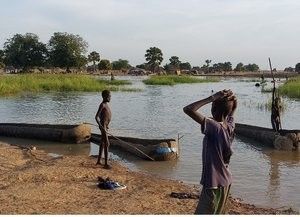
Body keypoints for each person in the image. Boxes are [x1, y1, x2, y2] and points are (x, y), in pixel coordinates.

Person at [183, 89, 237, 214]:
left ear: (214, 109)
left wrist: (211, 98)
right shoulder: (228, 126)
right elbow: (231, 116)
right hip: (226, 181)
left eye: (212, 106)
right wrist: (233, 105)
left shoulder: (214, 127)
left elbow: (188, 109)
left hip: (214, 184)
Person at [95, 90, 112, 169]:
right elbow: (96, 117)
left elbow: (106, 117)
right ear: (104, 96)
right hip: (103, 127)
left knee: (102, 143)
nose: (110, 97)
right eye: (109, 96)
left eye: (110, 96)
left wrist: (106, 126)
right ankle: (106, 163)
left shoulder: (106, 105)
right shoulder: (102, 105)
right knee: (107, 143)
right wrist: (101, 126)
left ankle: (99, 161)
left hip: (105, 126)